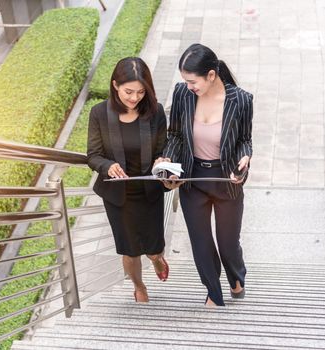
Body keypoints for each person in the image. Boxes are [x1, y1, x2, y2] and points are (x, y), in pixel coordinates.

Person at [158, 43, 253, 307]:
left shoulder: (241, 100)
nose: (189, 86)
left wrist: (245, 157)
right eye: (185, 81)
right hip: (193, 178)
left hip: (226, 180)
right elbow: (175, 134)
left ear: (211, 75)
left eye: (193, 81)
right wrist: (168, 156)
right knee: (201, 243)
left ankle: (236, 276)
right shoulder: (182, 94)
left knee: (227, 243)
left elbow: (245, 139)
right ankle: (213, 292)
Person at [87, 57, 169, 302]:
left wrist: (163, 160)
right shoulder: (99, 113)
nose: (135, 98)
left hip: (148, 192)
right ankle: (139, 286)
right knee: (130, 250)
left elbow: (163, 148)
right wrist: (108, 166)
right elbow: (93, 155)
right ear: (115, 85)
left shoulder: (155, 112)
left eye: (141, 92)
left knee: (154, 248)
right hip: (118, 196)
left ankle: (156, 259)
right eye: (129, 91)